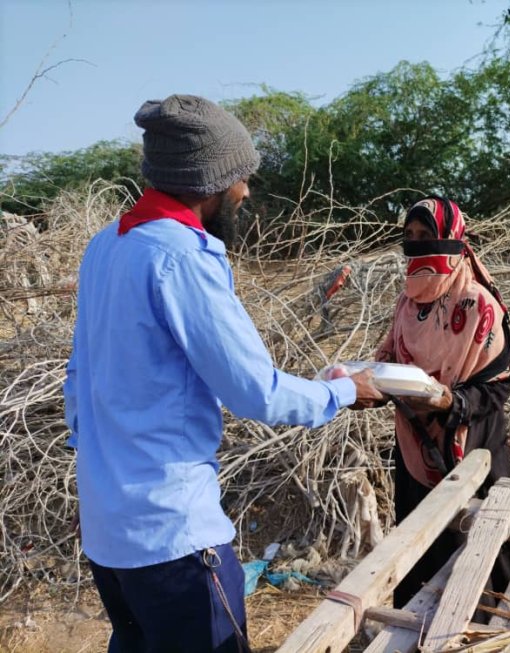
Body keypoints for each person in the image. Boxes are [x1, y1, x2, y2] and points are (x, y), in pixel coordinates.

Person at [62, 94, 382, 653]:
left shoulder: (106, 247)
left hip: (110, 537)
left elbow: (77, 386)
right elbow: (255, 390)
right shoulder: (183, 258)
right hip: (174, 540)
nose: (246, 192)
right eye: (240, 178)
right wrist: (340, 392)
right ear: (208, 180)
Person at [371, 196, 510, 608]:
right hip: (415, 447)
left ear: (453, 241)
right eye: (409, 237)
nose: (417, 246)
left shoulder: (479, 307)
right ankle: (416, 631)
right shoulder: (407, 302)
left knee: (483, 541)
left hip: (474, 449)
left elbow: (498, 385)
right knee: (418, 540)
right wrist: (369, 384)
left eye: (427, 236)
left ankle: (491, 628)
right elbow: (389, 359)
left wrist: (449, 402)